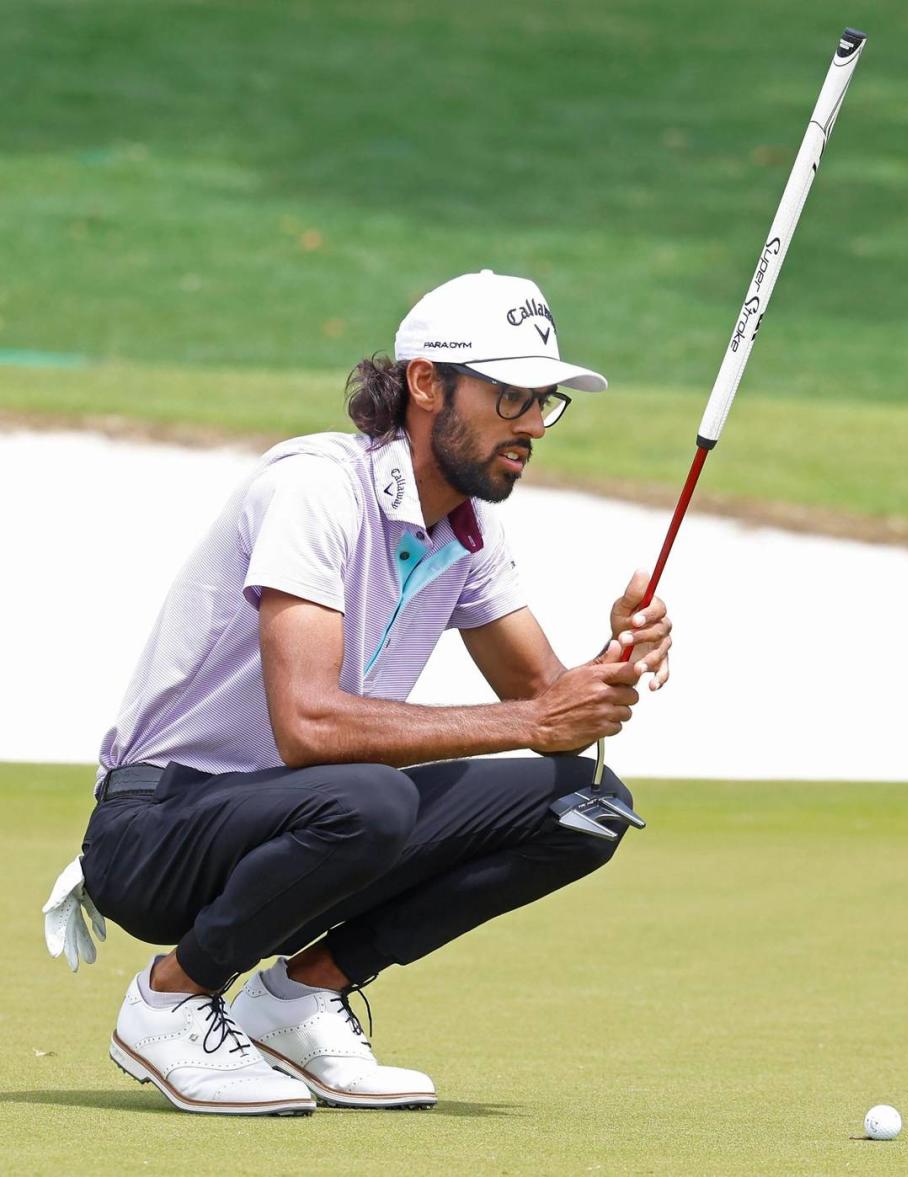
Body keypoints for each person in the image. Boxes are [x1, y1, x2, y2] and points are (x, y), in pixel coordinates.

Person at [42, 269, 672, 1117]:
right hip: (155, 829)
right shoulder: (315, 487)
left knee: (585, 804)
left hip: (309, 816)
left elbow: (552, 717)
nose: (531, 425)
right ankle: (168, 1000)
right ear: (425, 383)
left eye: (546, 401)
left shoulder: (470, 531)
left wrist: (612, 659)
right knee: (369, 795)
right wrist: (535, 715)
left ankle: (297, 997)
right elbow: (305, 724)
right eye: (511, 395)